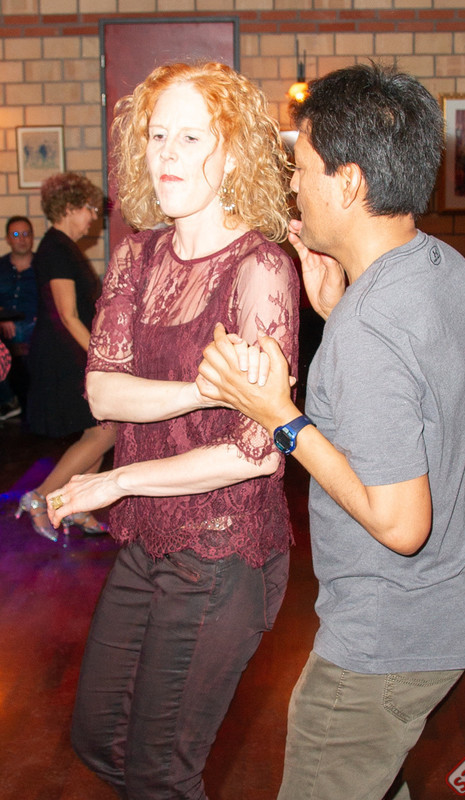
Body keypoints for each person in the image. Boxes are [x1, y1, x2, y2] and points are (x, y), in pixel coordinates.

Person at [197, 63, 465, 800]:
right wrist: (339, 310)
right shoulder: (440, 266)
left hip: (387, 635)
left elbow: (400, 525)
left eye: (302, 166)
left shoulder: (371, 328)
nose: (293, 184)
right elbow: (415, 393)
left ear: (348, 184)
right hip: (451, 608)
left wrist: (279, 417)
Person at [46, 62, 299, 799]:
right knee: (99, 738)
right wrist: (204, 390)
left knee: (160, 773)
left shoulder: (261, 269)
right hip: (147, 540)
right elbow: (103, 392)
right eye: (157, 135)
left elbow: (255, 451)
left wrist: (116, 480)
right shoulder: (136, 255)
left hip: (222, 551)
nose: (167, 154)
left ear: (232, 153)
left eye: (191, 137)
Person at [16, 173, 115, 542]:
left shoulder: (63, 247)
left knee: (103, 430)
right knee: (104, 430)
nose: (94, 218)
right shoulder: (56, 248)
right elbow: (68, 315)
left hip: (69, 353)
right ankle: (40, 498)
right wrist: (102, 359)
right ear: (70, 207)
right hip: (64, 356)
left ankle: (73, 506)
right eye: (90, 209)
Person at [0, 215, 38, 419]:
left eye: (26, 234)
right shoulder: (1, 266)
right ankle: (8, 399)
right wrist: (3, 317)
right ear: (8, 238)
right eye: (16, 234)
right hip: (4, 327)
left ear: (32, 237)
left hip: (35, 325)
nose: (22, 239)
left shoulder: (43, 265)